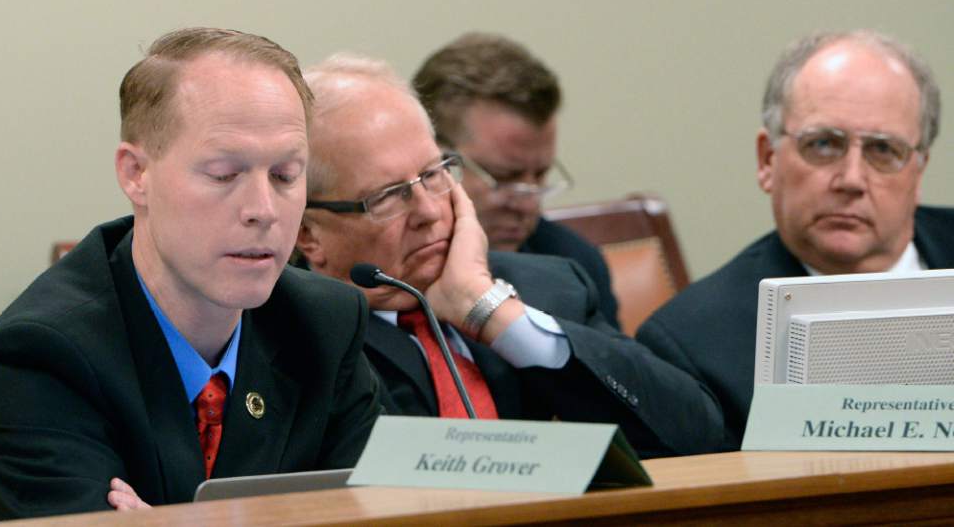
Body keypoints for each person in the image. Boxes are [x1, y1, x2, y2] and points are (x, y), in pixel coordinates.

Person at [0, 28, 381, 519]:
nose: (263, 210)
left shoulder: (326, 324)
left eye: (285, 175)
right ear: (136, 174)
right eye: (223, 174)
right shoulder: (41, 355)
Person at [294, 54, 722, 460]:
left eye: (433, 174)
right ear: (309, 235)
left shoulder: (549, 287)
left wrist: (488, 309)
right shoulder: (291, 333)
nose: (427, 211)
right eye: (387, 197)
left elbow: (698, 438)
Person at [635, 30, 954, 451]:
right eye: (823, 144)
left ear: (918, 171)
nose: (852, 180)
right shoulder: (690, 347)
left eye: (882, 150)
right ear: (767, 160)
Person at [412, 33, 620, 328]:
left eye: (541, 175)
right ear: (432, 162)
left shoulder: (574, 264)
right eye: (503, 177)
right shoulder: (386, 277)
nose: (528, 203)